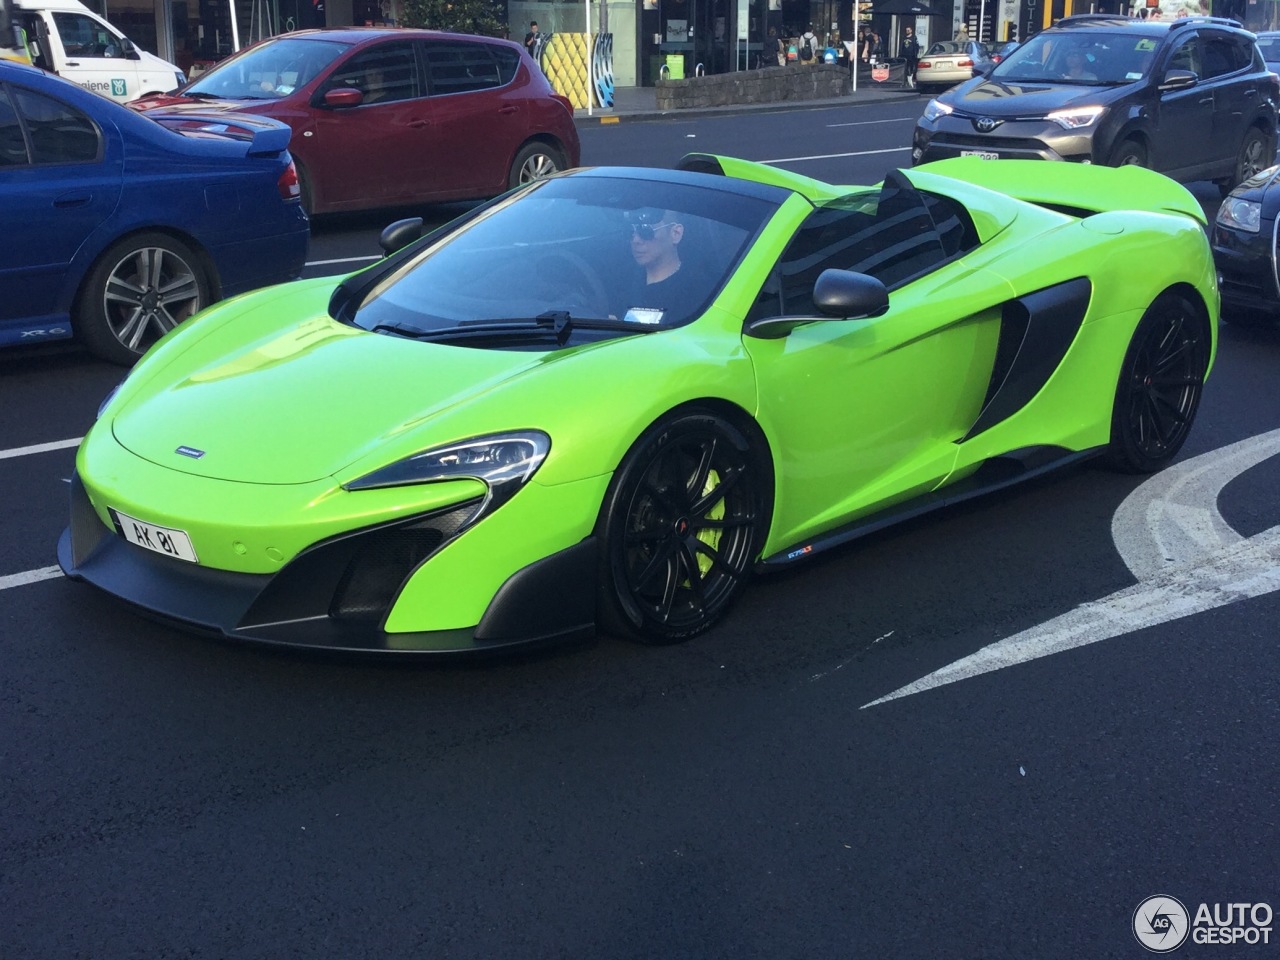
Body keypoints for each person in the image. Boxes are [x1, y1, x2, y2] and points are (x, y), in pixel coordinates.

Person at [622, 208, 704, 322]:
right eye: (630, 232)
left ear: (676, 234)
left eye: (646, 231)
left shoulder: (697, 292)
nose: (636, 240)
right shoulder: (621, 281)